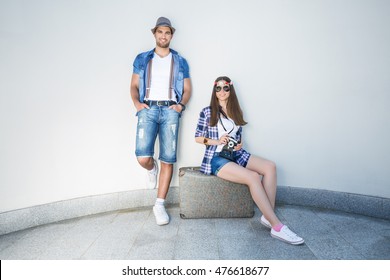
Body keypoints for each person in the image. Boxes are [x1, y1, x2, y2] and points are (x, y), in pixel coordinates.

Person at [195, 76, 304, 245]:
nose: (222, 91)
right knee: (253, 177)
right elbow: (198, 138)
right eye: (218, 88)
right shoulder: (207, 111)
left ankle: (268, 216)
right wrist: (217, 141)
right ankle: (277, 227)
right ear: (214, 91)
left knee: (270, 167)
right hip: (217, 158)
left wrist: (239, 145)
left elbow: (239, 137)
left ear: (231, 90)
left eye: (226, 88)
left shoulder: (236, 111)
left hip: (236, 155)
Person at [130, 17, 191, 226]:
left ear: (171, 35)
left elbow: (187, 88)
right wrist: (138, 104)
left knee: (168, 157)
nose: (163, 36)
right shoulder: (143, 58)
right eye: (160, 32)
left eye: (167, 33)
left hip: (170, 110)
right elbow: (133, 86)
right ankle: (151, 169)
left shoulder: (180, 61)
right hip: (148, 108)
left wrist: (180, 105)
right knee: (142, 157)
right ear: (155, 34)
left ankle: (159, 204)